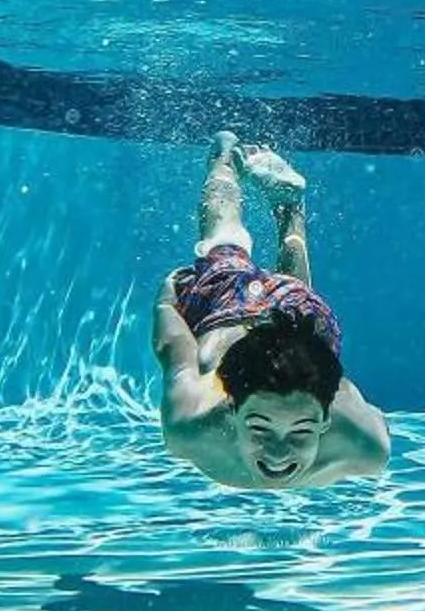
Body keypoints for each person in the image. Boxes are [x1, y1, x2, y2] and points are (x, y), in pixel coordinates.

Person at [154, 131, 389, 489]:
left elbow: (176, 356)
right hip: (245, 310)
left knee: (229, 248)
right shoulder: (191, 428)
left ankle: (259, 185)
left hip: (243, 311)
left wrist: (169, 304)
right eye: (260, 427)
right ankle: (255, 183)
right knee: (276, 284)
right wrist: (166, 304)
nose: (278, 453)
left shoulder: (365, 447)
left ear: (326, 418)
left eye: (301, 431)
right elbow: (174, 352)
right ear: (231, 408)